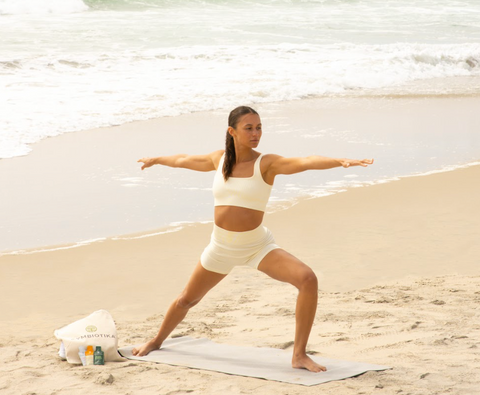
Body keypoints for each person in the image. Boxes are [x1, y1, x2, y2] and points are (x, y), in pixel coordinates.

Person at [134, 106, 374, 373]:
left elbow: (306, 161)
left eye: (259, 127)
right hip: (220, 247)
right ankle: (156, 341)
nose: (256, 133)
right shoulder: (218, 160)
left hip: (257, 246)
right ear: (232, 131)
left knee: (308, 279)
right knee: (186, 301)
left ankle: (299, 355)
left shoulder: (266, 163)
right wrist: (156, 159)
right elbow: (183, 159)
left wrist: (338, 161)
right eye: (249, 128)